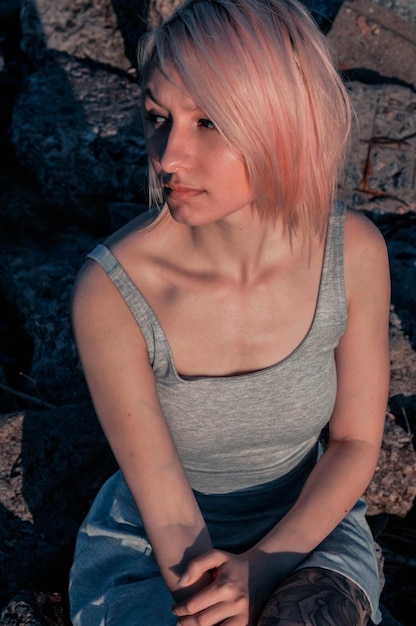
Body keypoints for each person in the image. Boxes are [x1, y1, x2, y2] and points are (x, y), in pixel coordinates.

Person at [68, 1, 390, 624]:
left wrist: (267, 565)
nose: (168, 158)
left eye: (208, 121)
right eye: (159, 118)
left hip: (309, 530)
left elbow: (353, 442)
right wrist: (222, 592)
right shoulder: (113, 291)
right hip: (161, 548)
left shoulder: (351, 253)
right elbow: (168, 512)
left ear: (283, 121)